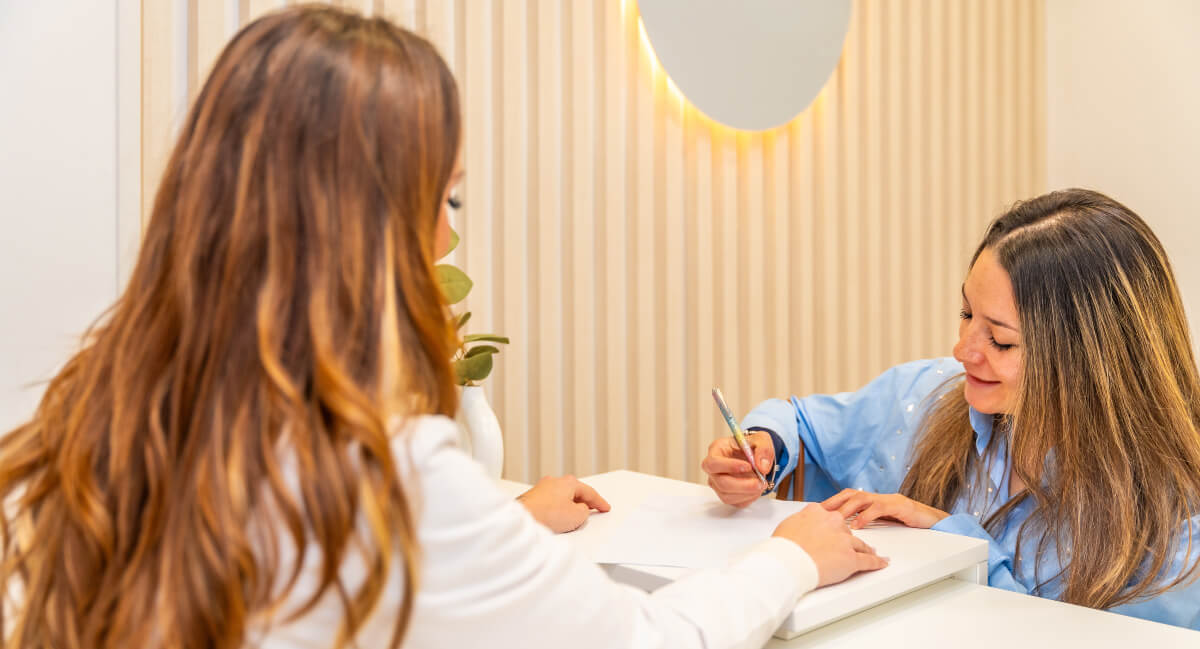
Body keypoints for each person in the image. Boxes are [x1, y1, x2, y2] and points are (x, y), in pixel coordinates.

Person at [0, 7, 886, 649]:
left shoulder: (99, 420)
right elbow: (645, 638)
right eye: (446, 197)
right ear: (366, 224)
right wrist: (790, 557)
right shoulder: (386, 477)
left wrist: (508, 525)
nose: (451, 233)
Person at [703, 188, 1200, 629]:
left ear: (1089, 360)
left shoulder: (1176, 532)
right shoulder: (927, 392)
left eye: (1000, 341)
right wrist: (764, 448)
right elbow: (805, 425)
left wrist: (954, 545)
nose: (963, 351)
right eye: (966, 314)